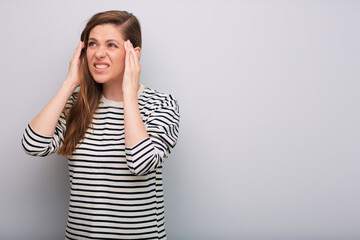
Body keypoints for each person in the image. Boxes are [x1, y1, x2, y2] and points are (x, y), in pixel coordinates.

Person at [21, 10, 180, 240]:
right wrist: (69, 83)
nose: (99, 53)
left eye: (112, 45)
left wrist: (129, 94)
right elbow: (32, 144)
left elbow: (140, 163)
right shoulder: (77, 105)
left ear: (133, 54)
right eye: (93, 44)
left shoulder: (161, 105)